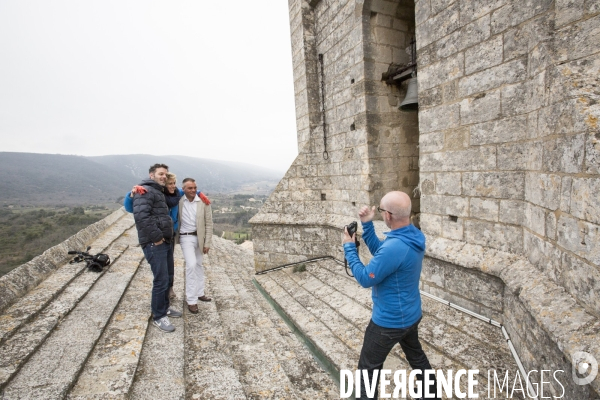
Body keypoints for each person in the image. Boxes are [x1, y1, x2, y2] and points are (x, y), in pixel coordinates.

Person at [342, 191, 438, 400]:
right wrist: (367, 225)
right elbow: (385, 256)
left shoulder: (396, 246)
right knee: (417, 357)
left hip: (389, 322)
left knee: (368, 370)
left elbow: (367, 278)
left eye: (382, 211)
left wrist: (349, 248)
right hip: (410, 314)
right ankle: (432, 395)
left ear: (388, 216)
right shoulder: (413, 235)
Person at [132, 164, 182, 333]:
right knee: (160, 280)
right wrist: (157, 237)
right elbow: (141, 217)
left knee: (168, 277)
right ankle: (159, 316)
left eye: (165, 174)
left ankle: (165, 307)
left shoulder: (158, 191)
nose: (163, 177)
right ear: (151, 175)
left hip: (165, 241)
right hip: (156, 243)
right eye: (160, 174)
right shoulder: (143, 191)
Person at [125, 173, 182, 299]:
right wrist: (131, 194)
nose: (173, 186)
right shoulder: (155, 196)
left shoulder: (176, 194)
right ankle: (161, 302)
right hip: (159, 235)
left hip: (170, 233)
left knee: (169, 266)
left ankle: (169, 289)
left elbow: (190, 188)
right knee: (161, 272)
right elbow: (131, 208)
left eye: (174, 183)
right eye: (170, 184)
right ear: (163, 186)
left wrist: (200, 193)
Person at [176, 178, 213, 314]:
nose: (193, 190)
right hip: (185, 237)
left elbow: (209, 224)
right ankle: (191, 300)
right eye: (189, 188)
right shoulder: (179, 201)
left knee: (198, 264)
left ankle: (200, 292)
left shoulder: (203, 202)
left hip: (200, 238)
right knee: (191, 265)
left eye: (195, 188)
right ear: (183, 189)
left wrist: (207, 242)